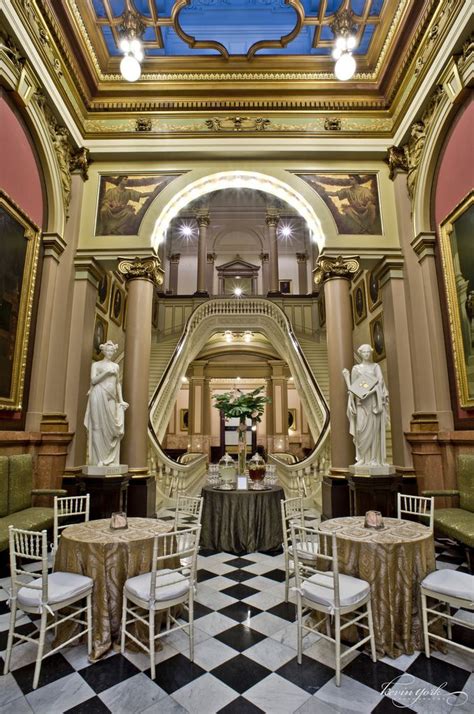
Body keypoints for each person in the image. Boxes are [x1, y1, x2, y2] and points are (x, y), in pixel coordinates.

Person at [342, 344, 389, 467]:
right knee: (360, 430)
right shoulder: (356, 369)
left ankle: (373, 459)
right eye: (365, 352)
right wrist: (351, 403)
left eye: (369, 352)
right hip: (361, 404)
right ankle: (362, 458)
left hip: (373, 403)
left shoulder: (376, 367)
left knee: (374, 432)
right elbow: (353, 387)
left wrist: (371, 391)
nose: (367, 354)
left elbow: (380, 382)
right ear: (360, 353)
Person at [84, 341, 128, 466]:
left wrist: (121, 400)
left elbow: (117, 383)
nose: (109, 353)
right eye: (107, 351)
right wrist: (106, 373)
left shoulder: (116, 366)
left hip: (111, 397)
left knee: (111, 428)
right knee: (97, 426)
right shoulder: (96, 365)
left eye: (111, 351)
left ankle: (109, 458)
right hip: (98, 394)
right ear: (103, 351)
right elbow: (93, 381)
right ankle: (99, 459)